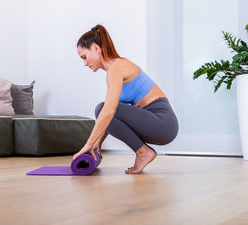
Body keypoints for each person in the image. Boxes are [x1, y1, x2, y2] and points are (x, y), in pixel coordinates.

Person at [73, 24, 179, 174]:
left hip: (163, 123)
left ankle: (143, 152)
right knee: (103, 109)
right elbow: (112, 115)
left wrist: (88, 145)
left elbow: (108, 111)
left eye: (84, 57)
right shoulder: (115, 69)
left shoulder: (116, 68)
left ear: (96, 48)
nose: (84, 63)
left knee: (102, 108)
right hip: (159, 124)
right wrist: (98, 143)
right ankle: (143, 151)